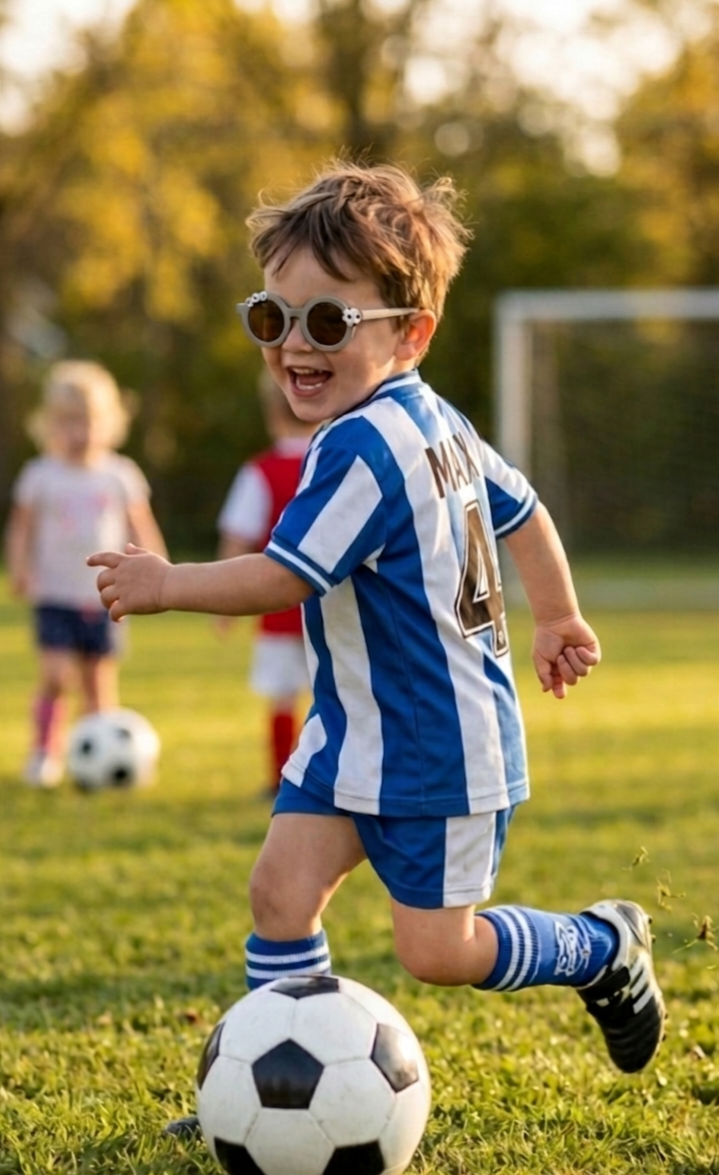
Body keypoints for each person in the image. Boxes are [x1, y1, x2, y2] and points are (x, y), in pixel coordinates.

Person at [88, 161, 665, 1134]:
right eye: (272, 319)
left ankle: (597, 943)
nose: (293, 349)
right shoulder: (428, 416)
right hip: (353, 728)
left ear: (410, 332)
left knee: (436, 950)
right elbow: (521, 510)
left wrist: (167, 581)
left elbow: (285, 573)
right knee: (279, 889)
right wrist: (555, 611)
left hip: (440, 743)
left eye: (326, 323)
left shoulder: (366, 447)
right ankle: (261, 1094)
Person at [5, 359, 167, 787]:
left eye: (90, 422)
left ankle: (95, 757)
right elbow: (21, 527)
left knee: (98, 685)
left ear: (109, 423)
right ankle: (44, 751)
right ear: (50, 425)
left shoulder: (120, 474)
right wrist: (18, 567)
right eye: (69, 423)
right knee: (56, 676)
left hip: (106, 595)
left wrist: (163, 571)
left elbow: (141, 524)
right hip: (54, 593)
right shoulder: (40, 475)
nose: (80, 433)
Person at [216, 371, 315, 795]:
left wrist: (222, 602)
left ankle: (280, 779)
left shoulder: (260, 471)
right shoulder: (341, 461)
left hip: (276, 606)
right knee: (333, 698)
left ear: (272, 414)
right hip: (334, 608)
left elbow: (238, 537)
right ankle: (326, 777)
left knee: (282, 696)